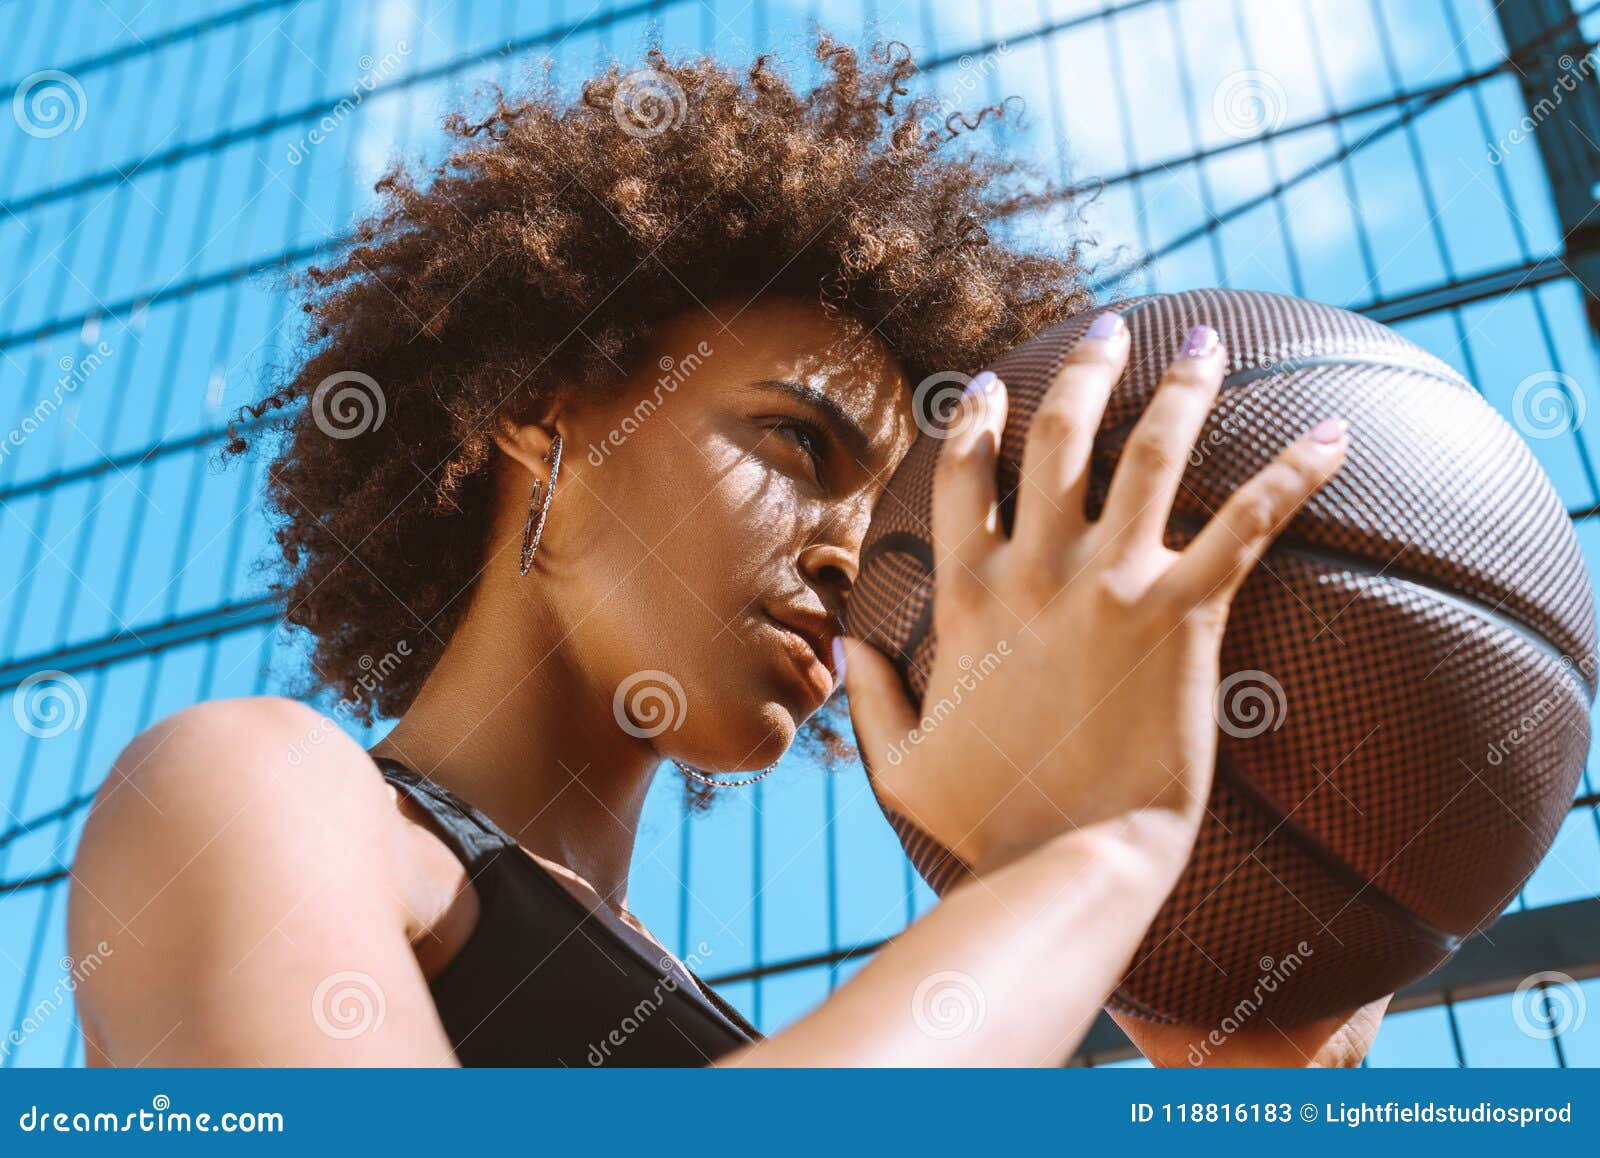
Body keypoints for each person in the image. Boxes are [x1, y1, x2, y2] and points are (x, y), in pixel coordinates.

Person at [67, 39, 1385, 1066]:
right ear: (546, 412)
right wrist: (1087, 850)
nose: (847, 561)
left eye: (890, 529)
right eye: (802, 447)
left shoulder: (753, 1040)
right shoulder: (250, 790)